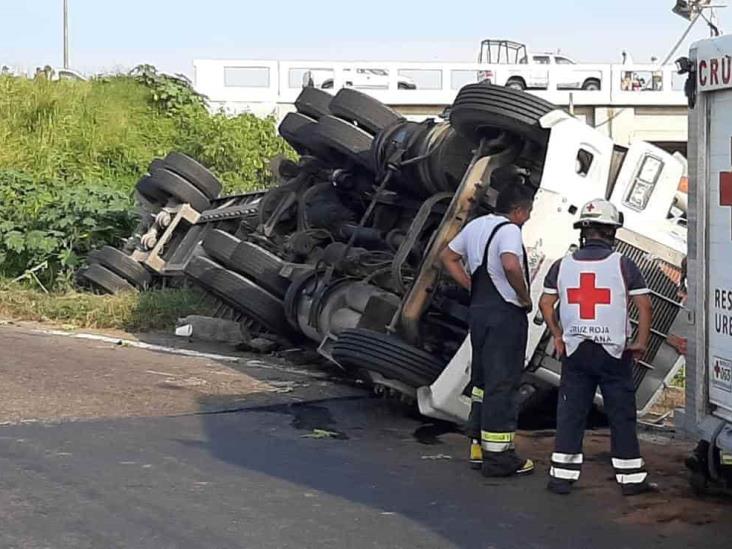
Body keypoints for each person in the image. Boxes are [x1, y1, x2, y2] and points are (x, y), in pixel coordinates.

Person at [538, 199, 655, 496]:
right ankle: (631, 480)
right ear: (611, 232)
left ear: (584, 231)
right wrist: (640, 341)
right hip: (613, 353)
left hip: (576, 350)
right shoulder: (623, 265)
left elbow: (545, 303)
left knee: (570, 413)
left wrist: (558, 334)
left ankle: (561, 478)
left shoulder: (561, 265)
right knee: (621, 414)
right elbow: (644, 305)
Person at [440, 184, 535, 477]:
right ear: (517, 210)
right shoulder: (509, 230)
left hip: (480, 313)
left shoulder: (475, 227)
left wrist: (471, 286)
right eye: (527, 213)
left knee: (481, 382)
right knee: (502, 383)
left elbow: (447, 256)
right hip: (505, 315)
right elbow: (509, 263)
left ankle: (478, 447)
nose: (527, 219)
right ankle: (499, 458)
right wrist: (524, 295)